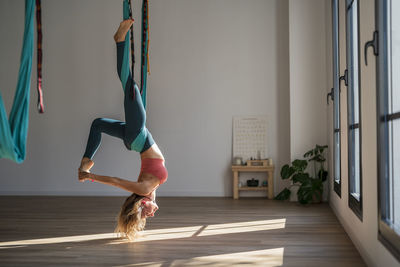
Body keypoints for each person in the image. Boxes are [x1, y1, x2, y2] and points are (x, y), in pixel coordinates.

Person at [78, 19, 167, 240]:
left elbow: (116, 181)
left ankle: (119, 40)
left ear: (140, 204)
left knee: (129, 85)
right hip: (135, 139)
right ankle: (86, 159)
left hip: (138, 137)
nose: (151, 215)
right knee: (97, 123)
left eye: (145, 215)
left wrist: (90, 177)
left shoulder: (143, 188)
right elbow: (150, 198)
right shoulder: (149, 191)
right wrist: (150, 204)